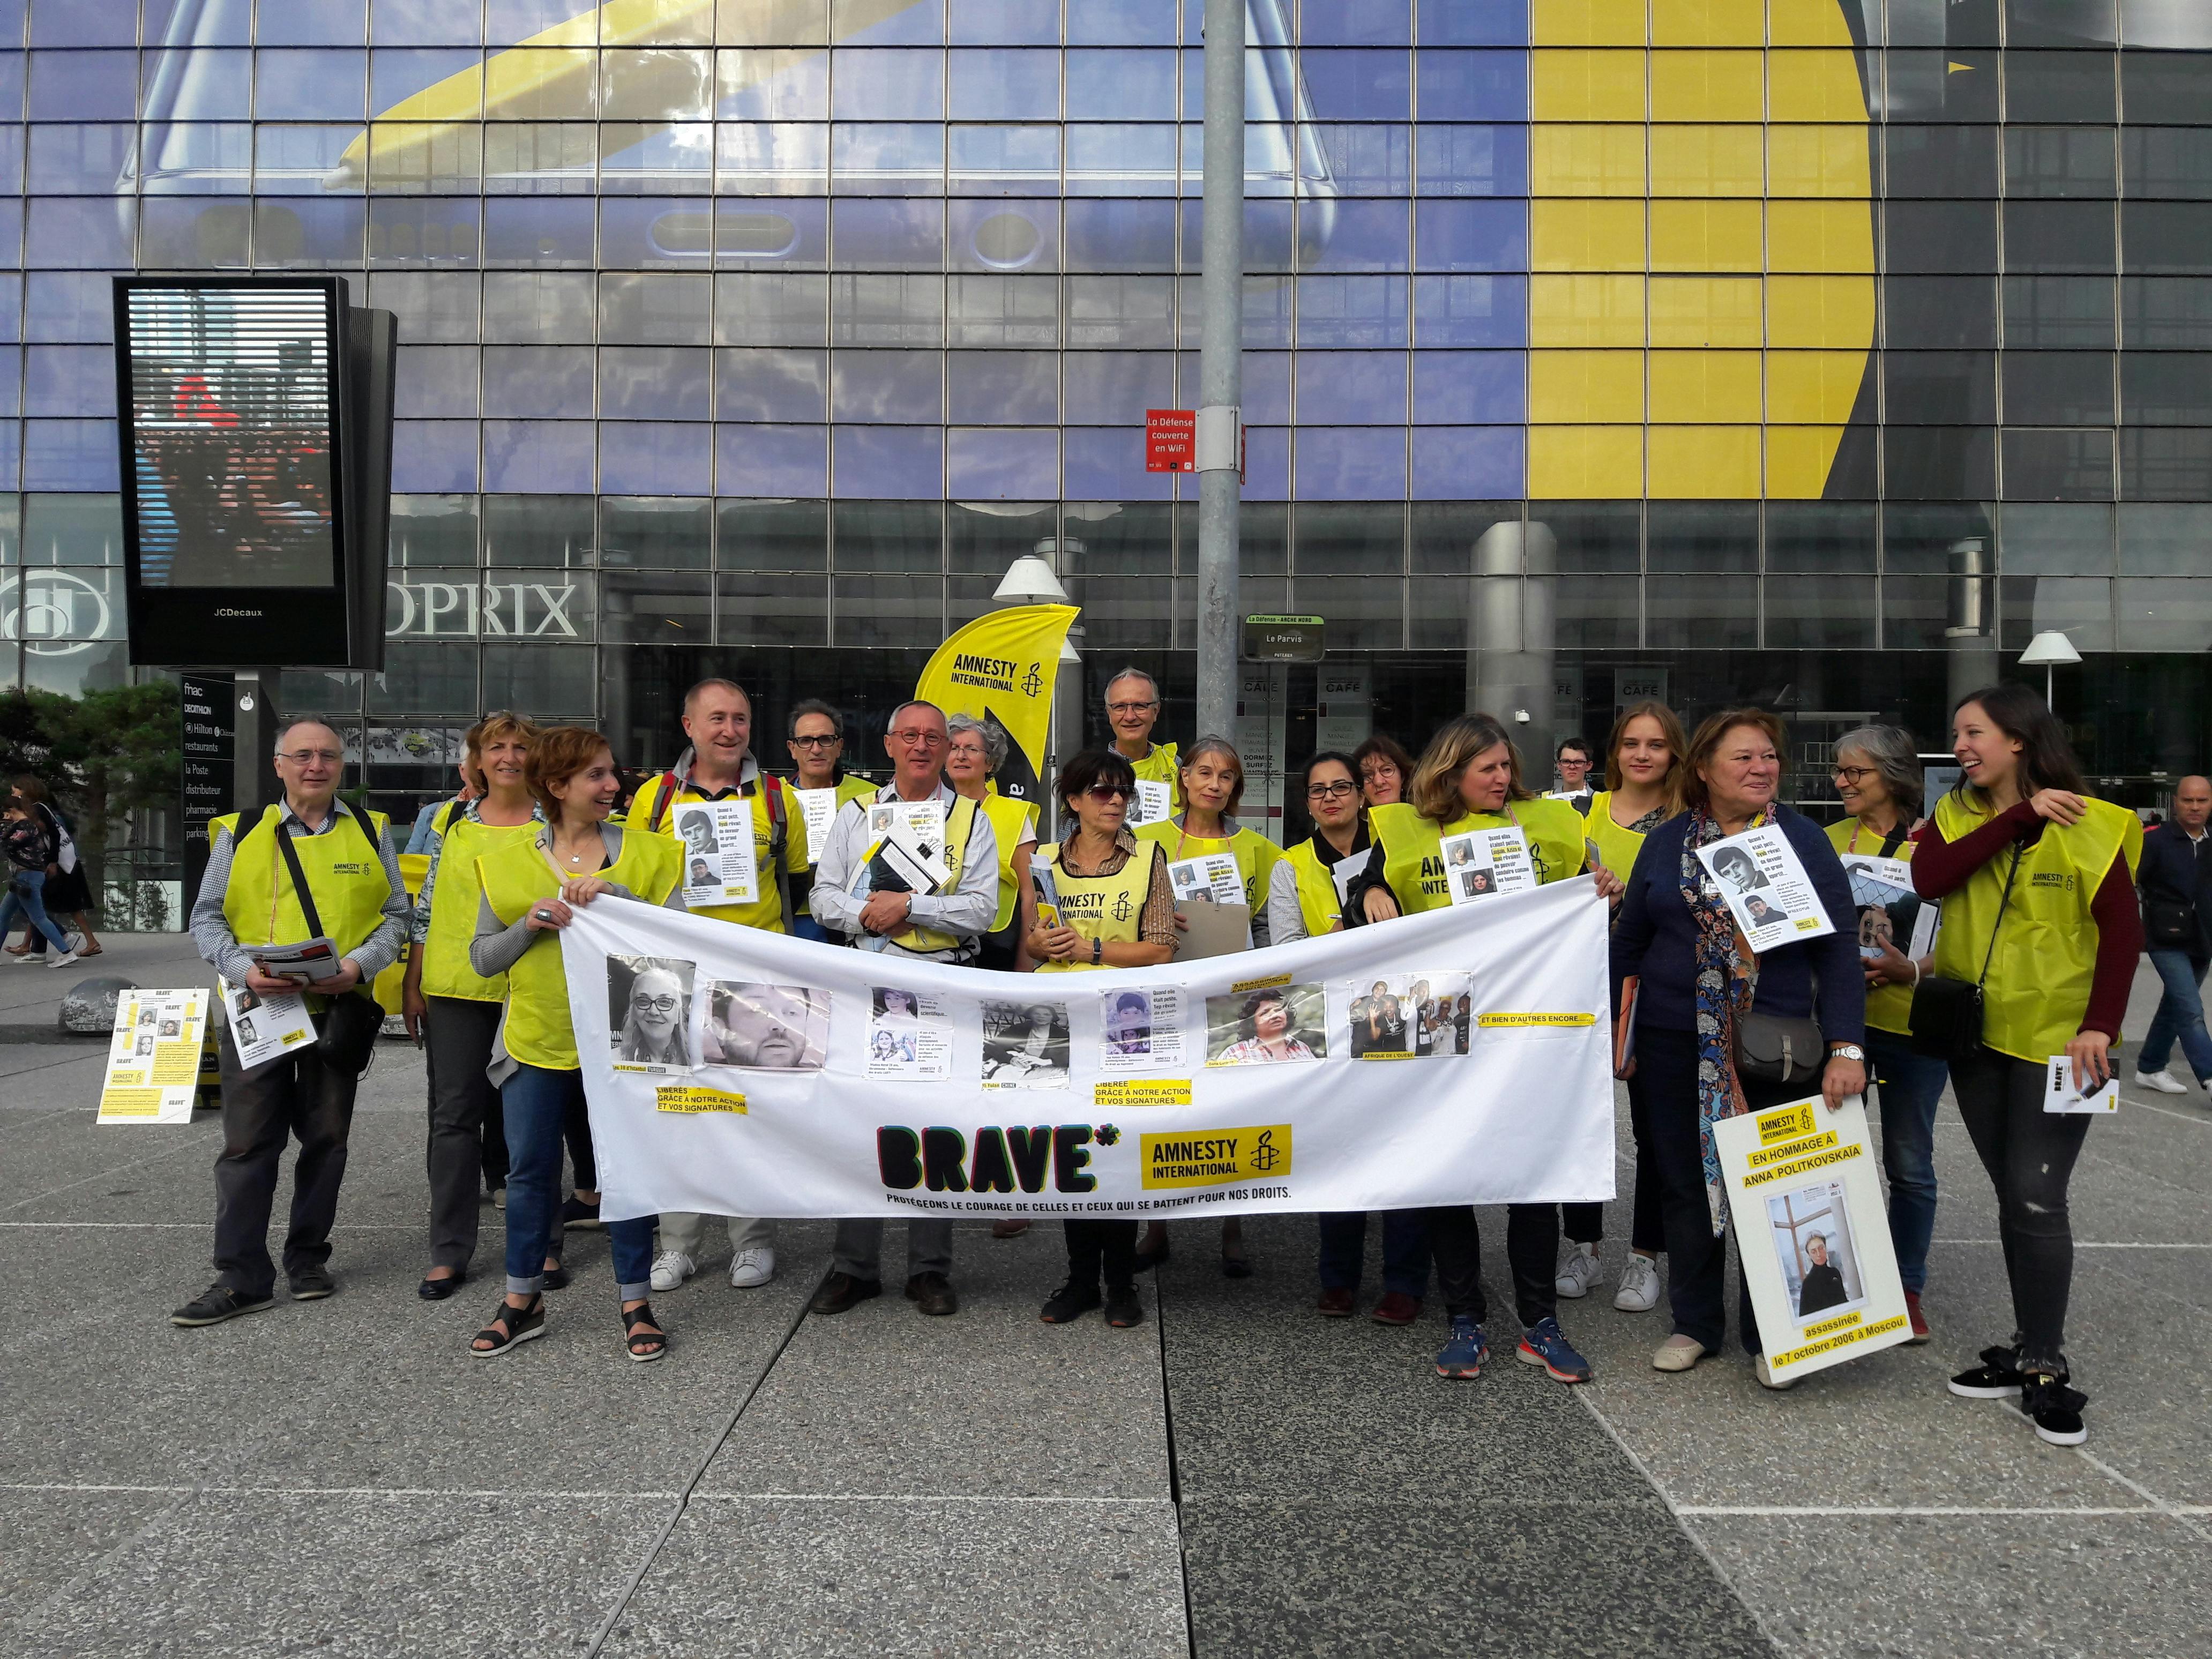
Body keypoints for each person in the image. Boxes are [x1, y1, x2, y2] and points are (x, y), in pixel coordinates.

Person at [1347, 713, 1622, 1385]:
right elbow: (1357, 896)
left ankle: (1540, 1322)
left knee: (1532, 1176)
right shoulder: (1404, 827)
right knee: (1450, 1174)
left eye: (1507, 767)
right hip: (1437, 1020)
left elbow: (1585, 898)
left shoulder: (1550, 823)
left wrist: (1604, 894)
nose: (1503, 778)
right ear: (1452, 771)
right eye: (1488, 768)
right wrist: (1374, 891)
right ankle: (1464, 1318)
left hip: (1526, 1026)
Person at [1912, 685, 2143, 1446]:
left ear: (2019, 739)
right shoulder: (1957, 816)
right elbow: (1929, 881)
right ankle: (2025, 1347)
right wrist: (2017, 816)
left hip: (2065, 1047)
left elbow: (2121, 937)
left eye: (1974, 732)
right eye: (1957, 734)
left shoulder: (2098, 826)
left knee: (2039, 1198)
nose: (1962, 745)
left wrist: (2101, 1028)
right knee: (2013, 1194)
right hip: (1976, 1040)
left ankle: (2045, 1363)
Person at [1610, 708, 1866, 1388]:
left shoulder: (1801, 841)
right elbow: (1630, 939)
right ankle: (1695, 1324)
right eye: (1744, 759)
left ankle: (1772, 1333)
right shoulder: (1665, 844)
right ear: (1702, 770)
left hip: (1771, 1046)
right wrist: (1615, 1027)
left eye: (1769, 758)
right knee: (1684, 1185)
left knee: (1771, 1182)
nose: (1761, 769)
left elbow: (1840, 948)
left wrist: (1849, 1047)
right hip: (1671, 1041)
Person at [171, 718, 410, 1327]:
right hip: (259, 1010)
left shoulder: (370, 829)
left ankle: (308, 1258)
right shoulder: (240, 832)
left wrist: (359, 966)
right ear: (279, 765)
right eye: (302, 755)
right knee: (249, 1144)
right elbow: (206, 917)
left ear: (341, 765)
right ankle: (242, 1276)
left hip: (335, 1015)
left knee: (327, 1142)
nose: (316, 766)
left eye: (328, 755)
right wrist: (241, 969)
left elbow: (397, 915)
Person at [467, 725, 683, 1362]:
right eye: (597, 776)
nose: (614, 785)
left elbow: (680, 949)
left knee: (628, 1173)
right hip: (538, 1038)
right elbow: (483, 959)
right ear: (556, 787)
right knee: (530, 1173)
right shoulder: (505, 863)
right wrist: (527, 925)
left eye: (612, 772)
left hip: (634, 1038)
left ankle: (636, 1301)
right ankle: (521, 1300)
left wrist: (623, 899)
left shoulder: (650, 853)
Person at [809, 699, 999, 1319]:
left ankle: (928, 1270)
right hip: (865, 983)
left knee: (934, 1130)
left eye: (934, 737)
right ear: (888, 744)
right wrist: (872, 912)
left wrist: (910, 907)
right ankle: (854, 1268)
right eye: (909, 735)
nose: (921, 746)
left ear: (948, 749)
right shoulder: (857, 814)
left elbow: (981, 910)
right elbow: (821, 898)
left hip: (942, 986)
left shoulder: (973, 819)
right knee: (858, 1127)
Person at [627, 679, 806, 1295]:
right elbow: (634, 886)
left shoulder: (779, 799)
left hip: (754, 978)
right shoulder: (652, 799)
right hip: (669, 979)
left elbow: (798, 889)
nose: (729, 731)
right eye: (717, 719)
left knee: (747, 1114)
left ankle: (752, 1241)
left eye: (740, 719)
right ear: (689, 727)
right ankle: (677, 1244)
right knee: (675, 1113)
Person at [1022, 749, 1175, 1328]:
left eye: (1123, 792)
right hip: (1060, 1024)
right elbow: (1033, 939)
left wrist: (1088, 950)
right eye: (1102, 791)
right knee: (1071, 1151)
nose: (1115, 801)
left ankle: (1120, 1284)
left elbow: (1161, 947)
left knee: (1118, 1151)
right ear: (1074, 800)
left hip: (1123, 1027)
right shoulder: (1042, 860)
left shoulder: (1149, 857)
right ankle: (1080, 1279)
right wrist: (1043, 946)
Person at [401, 711, 540, 1301]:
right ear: (476, 761)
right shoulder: (447, 820)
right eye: (496, 747)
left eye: (520, 747)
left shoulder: (553, 821)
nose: (509, 757)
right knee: (454, 1121)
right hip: (455, 986)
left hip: (532, 986)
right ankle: (448, 1250)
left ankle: (540, 1245)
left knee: (532, 1124)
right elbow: (426, 905)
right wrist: (413, 978)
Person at [1555, 702, 1688, 1314]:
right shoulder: (1578, 815)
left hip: (1658, 987)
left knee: (1655, 1130)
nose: (1642, 755)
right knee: (1579, 1121)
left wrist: (1629, 898)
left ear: (1674, 754)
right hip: (1582, 981)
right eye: (1631, 743)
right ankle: (1582, 1245)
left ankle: (1645, 1257)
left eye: (1656, 745)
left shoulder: (1691, 821)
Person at [1133, 735, 1280, 1275]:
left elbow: (1266, 924)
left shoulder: (1258, 848)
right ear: (1185, 780)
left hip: (1231, 995)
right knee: (1163, 1106)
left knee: (1231, 1109)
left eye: (1227, 777)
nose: (1215, 784)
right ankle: (1157, 1227)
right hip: (1164, 990)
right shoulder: (1147, 840)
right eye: (1206, 773)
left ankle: (1233, 1226)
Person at [1827, 723, 1945, 1343]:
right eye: (1841, 772)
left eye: (1855, 773)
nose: (1842, 782)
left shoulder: (1938, 846)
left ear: (1893, 776)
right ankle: (1841, 1281)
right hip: (1839, 1027)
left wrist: (1911, 969)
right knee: (1837, 1157)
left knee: (1910, 1161)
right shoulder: (1824, 841)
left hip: (1911, 1025)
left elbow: (1961, 941)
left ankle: (1906, 1287)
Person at [2133, 773, 2212, 1096]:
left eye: (2202, 801)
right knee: (2191, 1009)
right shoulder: (2155, 840)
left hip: (2203, 939)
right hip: (2165, 939)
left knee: (2176, 1005)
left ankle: (2150, 1067)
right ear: (2175, 802)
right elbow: (2131, 882)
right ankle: (2209, 1076)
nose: (2195, 807)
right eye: (2188, 800)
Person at [945, 711, 1040, 974]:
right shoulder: (931, 812)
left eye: (972, 749)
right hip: (940, 943)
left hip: (994, 946)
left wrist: (1026, 961)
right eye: (953, 748)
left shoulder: (1014, 815)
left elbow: (1030, 894)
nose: (961, 755)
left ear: (990, 763)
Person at [783, 699, 876, 944]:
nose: (816, 749)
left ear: (839, 746)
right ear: (792, 748)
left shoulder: (871, 796)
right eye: (805, 741)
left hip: (857, 916)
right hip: (794, 918)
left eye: (826, 740)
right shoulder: (774, 797)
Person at [4, 776, 99, 960]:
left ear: (25, 790)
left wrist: (52, 862)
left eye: (15, 790)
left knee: (64, 905)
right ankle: (34, 947)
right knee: (40, 904)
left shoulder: (38, 809)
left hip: (60, 863)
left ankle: (82, 940)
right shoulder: (39, 807)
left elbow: (54, 835)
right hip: (56, 861)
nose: (13, 793)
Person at [0, 796, 79, 966]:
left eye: (7, 813)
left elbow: (8, 844)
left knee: (38, 917)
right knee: (3, 915)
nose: (6, 817)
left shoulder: (25, 826)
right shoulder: (24, 826)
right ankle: (65, 949)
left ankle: (66, 952)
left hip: (27, 876)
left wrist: (5, 829)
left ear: (12, 810)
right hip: (22, 877)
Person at [1103, 667, 1181, 816]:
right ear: (1109, 713)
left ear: (1156, 711)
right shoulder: (1088, 773)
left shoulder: (1175, 765)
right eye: (1120, 707)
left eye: (1140, 706)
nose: (1130, 716)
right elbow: (1070, 837)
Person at [1213, 988, 1316, 1063]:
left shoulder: (1302, 1048)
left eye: (1278, 1010)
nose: (1274, 1015)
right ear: (1252, 1023)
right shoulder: (1235, 1053)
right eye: (1265, 1013)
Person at [616, 963, 690, 1064]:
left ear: (678, 1014)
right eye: (643, 1001)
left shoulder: (696, 1062)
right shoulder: (613, 1060)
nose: (653, 1011)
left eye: (665, 1002)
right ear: (633, 1010)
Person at [1354, 734, 1413, 810]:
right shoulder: (1349, 822)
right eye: (1367, 775)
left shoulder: (1425, 820)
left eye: (1387, 770)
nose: (1378, 782)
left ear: (1402, 776)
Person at [1797, 1234, 1848, 1318]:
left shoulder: (1835, 1273)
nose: (1818, 1254)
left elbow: (1844, 1302)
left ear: (1826, 1248)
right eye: (1813, 1252)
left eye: (1821, 1248)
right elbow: (1804, 1317)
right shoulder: (1808, 1283)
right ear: (1809, 1255)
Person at [1553, 737, 1595, 811]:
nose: (1572, 767)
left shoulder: (1601, 801)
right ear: (1559, 765)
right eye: (1566, 762)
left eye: (1578, 762)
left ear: (1589, 766)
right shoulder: (1544, 799)